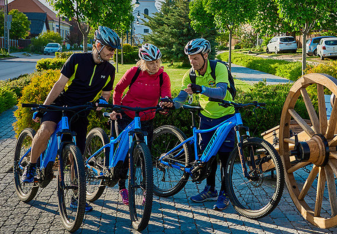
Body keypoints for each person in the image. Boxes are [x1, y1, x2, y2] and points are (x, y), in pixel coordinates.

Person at [22, 26, 121, 212]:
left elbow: (106, 94)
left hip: (81, 111)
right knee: (46, 129)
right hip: (62, 104)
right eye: (109, 48)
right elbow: (59, 85)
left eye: (114, 50)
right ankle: (31, 166)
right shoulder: (77, 59)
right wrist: (44, 107)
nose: (112, 53)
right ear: (98, 45)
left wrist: (102, 102)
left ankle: (76, 197)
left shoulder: (110, 70)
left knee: (78, 157)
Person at [173, 38, 235, 211]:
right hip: (206, 118)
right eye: (190, 58)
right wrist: (171, 103)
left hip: (225, 117)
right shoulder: (190, 75)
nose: (192, 61)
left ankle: (225, 193)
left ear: (205, 55)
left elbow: (222, 92)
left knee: (225, 158)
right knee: (208, 157)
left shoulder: (218, 68)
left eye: (195, 57)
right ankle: (210, 189)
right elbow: (181, 99)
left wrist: (201, 89)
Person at [111, 43, 172, 205]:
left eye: (157, 61)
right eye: (151, 63)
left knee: (146, 156)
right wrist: (116, 108)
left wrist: (166, 103)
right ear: (143, 62)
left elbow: (166, 94)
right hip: (127, 115)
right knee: (124, 154)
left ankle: (146, 189)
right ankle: (122, 186)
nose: (155, 65)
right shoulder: (134, 72)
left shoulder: (162, 76)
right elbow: (118, 89)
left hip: (146, 118)